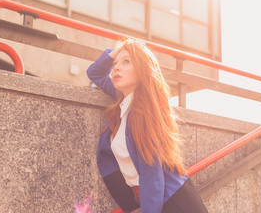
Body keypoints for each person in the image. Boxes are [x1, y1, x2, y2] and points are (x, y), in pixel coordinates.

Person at [87, 39, 208, 213]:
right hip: (158, 200)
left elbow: (151, 176)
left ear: (141, 70)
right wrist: (121, 48)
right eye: (115, 63)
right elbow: (94, 73)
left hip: (175, 203)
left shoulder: (144, 113)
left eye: (126, 61)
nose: (116, 67)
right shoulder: (123, 99)